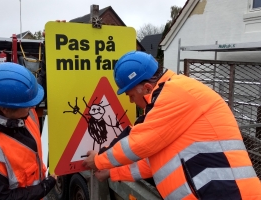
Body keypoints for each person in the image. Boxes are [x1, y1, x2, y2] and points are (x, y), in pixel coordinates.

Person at [83, 51, 261, 199]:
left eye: (130, 96)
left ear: (146, 88)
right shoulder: (170, 99)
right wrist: (112, 173)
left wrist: (99, 159)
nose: (131, 102)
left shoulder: (175, 93)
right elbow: (151, 161)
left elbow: (137, 143)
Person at [0, 62, 56, 200]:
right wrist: (44, 186)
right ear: (5, 109)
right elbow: (2, 198)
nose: (33, 106)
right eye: (27, 104)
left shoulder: (23, 113)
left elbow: (34, 94)